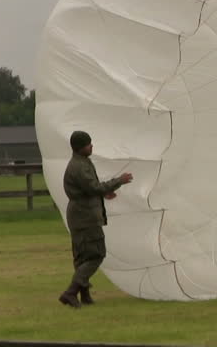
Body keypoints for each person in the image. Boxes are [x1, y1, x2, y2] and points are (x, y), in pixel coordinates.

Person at [58, 131, 133, 308]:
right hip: (85, 217)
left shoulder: (82, 163)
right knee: (96, 254)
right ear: (80, 147)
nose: (91, 146)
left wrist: (104, 192)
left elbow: (89, 189)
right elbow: (93, 187)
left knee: (83, 256)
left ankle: (84, 295)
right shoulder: (79, 166)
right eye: (88, 144)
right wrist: (118, 181)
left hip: (80, 214)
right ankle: (70, 292)